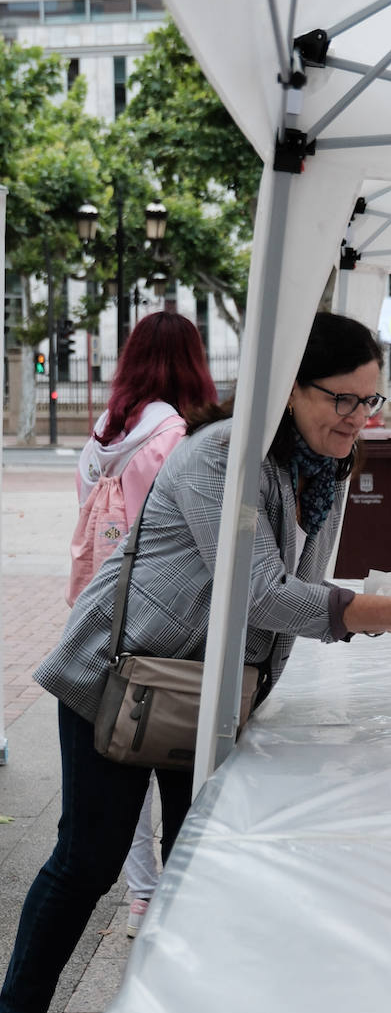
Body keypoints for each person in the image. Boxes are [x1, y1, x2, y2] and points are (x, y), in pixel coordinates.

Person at [0, 311, 391, 1013]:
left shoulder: (323, 469)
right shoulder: (223, 456)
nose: (355, 419)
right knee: (90, 860)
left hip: (212, 693)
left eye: (369, 403)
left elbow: (302, 594)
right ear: (288, 387)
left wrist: (264, 696)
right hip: (119, 677)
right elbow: (259, 590)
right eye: (340, 400)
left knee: (200, 874)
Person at [68, 312, 219, 942]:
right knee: (175, 762)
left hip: (95, 614)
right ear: (192, 361)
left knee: (119, 755)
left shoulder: (104, 436)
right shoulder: (174, 440)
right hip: (158, 624)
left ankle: (140, 895)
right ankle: (174, 903)